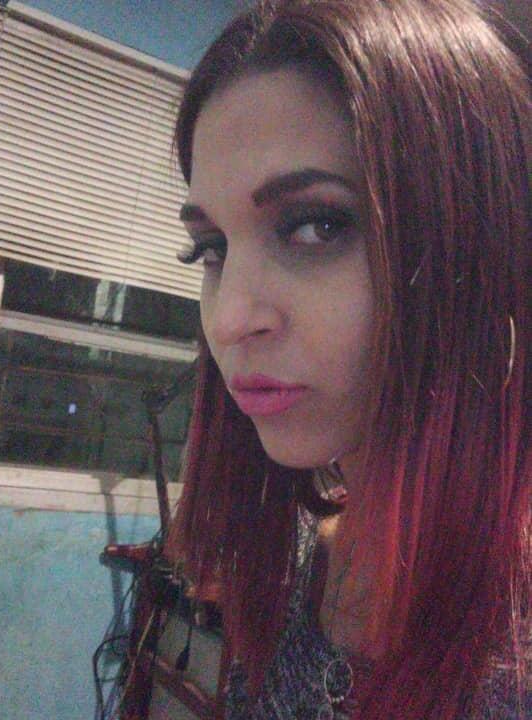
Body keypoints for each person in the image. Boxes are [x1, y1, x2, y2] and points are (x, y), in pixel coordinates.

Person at [165, 1, 531, 718]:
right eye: (212, 249)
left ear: (481, 247)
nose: (229, 320)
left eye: (315, 225)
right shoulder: (308, 556)